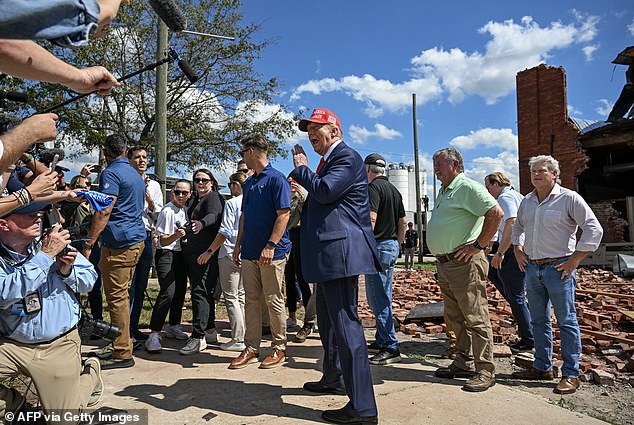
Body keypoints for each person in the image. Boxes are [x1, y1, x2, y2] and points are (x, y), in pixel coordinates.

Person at [291, 108, 379, 424]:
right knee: (328, 324)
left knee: (346, 326)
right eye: (308, 129)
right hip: (329, 257)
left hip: (340, 255)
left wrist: (302, 171)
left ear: (335, 130)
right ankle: (334, 377)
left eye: (317, 127)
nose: (311, 133)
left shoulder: (346, 156)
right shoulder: (329, 161)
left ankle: (364, 408)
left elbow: (326, 192)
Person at [0, 201, 102, 419]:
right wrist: (45, 257)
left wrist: (67, 270)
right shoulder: (47, 249)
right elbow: (3, 294)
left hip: (58, 344)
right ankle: (15, 406)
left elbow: (90, 280)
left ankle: (90, 373)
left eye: (39, 214)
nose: (38, 218)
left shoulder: (52, 243)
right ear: (4, 224)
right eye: (29, 215)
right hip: (12, 344)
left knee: (64, 420)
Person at [511, 155, 603, 395]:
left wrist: (575, 259)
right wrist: (517, 249)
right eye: (533, 171)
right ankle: (542, 367)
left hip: (559, 268)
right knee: (538, 321)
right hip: (532, 268)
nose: (536, 175)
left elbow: (594, 227)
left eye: (542, 171)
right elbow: (518, 226)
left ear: (554, 174)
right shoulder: (527, 201)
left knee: (566, 321)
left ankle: (571, 374)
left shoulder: (568, 198)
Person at [427, 147, 502, 393]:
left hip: (465, 264)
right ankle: (464, 361)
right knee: (456, 316)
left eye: (440, 164)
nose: (435, 168)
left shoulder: (467, 187)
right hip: (447, 263)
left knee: (475, 316)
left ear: (455, 165)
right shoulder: (445, 190)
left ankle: (485, 370)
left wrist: (479, 245)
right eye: (434, 164)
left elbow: (495, 213)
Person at [84, 134, 146, 370]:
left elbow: (104, 211)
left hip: (120, 244)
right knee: (123, 296)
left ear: (105, 151)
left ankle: (122, 352)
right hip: (134, 240)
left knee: (117, 299)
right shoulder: (135, 173)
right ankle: (121, 342)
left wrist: (90, 243)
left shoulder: (110, 173)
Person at [229, 135, 290, 370]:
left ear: (252, 151)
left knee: (273, 299)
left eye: (243, 152)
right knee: (251, 301)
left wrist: (270, 246)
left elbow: (283, 214)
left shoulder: (277, 179)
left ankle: (279, 348)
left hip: (271, 253)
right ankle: (251, 348)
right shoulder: (250, 182)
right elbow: (245, 216)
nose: (242, 157)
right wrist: (238, 246)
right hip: (249, 252)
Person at [364, 153, 407, 366]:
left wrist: (366, 246)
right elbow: (404, 223)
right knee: (384, 295)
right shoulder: (394, 190)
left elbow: (371, 219)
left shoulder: (373, 188)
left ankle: (390, 346)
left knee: (377, 299)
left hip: (378, 247)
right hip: (389, 246)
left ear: (368, 169)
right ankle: (382, 338)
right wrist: (398, 244)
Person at [484, 172, 534, 353]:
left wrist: (500, 253)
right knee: (493, 273)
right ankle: (527, 317)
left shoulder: (505, 198)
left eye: (488, 186)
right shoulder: (516, 195)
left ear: (496, 183)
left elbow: (511, 224)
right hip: (518, 247)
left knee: (516, 296)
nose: (487, 191)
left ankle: (529, 338)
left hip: (513, 250)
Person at [197, 172, 247, 352]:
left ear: (235, 185)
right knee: (240, 296)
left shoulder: (232, 203)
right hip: (245, 253)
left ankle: (238, 338)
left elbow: (225, 231)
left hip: (228, 253)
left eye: (230, 184)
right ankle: (244, 335)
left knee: (231, 296)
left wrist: (210, 251)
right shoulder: (250, 202)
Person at [179, 169, 224, 355]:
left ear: (212, 182)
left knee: (200, 292)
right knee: (203, 291)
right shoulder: (195, 200)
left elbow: (213, 216)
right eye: (197, 180)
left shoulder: (213, 198)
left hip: (206, 254)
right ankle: (210, 330)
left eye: (204, 180)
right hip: (194, 253)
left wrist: (202, 224)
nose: (200, 183)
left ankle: (198, 337)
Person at [145, 180, 192, 353]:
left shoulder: (185, 210)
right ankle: (154, 334)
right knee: (168, 292)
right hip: (167, 254)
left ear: (190, 194)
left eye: (184, 193)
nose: (180, 195)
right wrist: (176, 235)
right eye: (177, 192)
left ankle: (173, 325)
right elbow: (162, 241)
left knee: (180, 291)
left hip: (181, 255)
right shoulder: (168, 211)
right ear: (172, 193)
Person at [127, 146, 163, 342]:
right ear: (129, 160)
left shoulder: (155, 186)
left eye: (144, 157)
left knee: (140, 285)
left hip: (147, 235)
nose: (142, 160)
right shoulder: (124, 181)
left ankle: (133, 327)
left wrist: (148, 197)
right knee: (127, 286)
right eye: (137, 157)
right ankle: (123, 330)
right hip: (129, 236)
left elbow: (158, 214)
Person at [284, 177, 310, 331]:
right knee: (289, 277)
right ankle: (292, 315)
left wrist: (301, 201)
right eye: (289, 183)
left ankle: (309, 319)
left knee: (302, 278)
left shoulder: (304, 198)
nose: (292, 185)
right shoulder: (284, 199)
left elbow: (307, 216)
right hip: (287, 237)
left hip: (300, 237)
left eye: (294, 182)